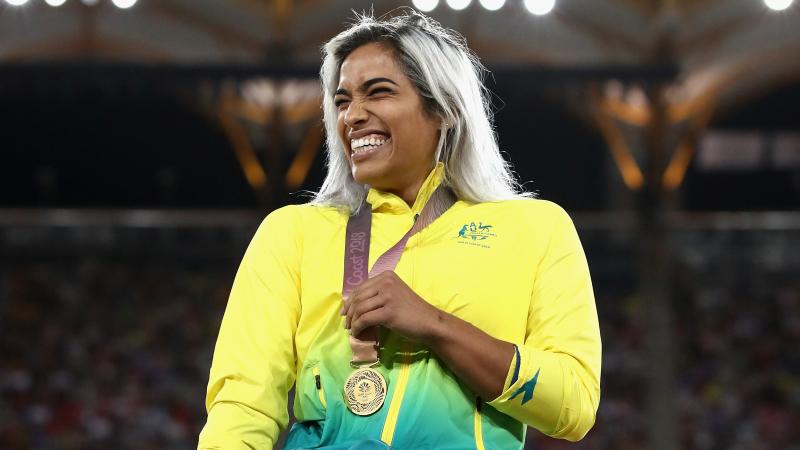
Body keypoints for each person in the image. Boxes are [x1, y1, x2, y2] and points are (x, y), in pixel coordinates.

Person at [198, 11, 601, 450]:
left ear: (444, 109)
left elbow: (573, 405)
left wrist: (434, 325)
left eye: (378, 92)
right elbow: (243, 404)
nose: (352, 115)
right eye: (342, 100)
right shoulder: (292, 234)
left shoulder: (535, 229)